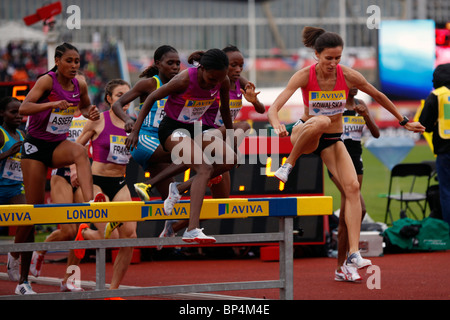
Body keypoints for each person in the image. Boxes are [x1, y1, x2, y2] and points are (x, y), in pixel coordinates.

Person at [267, 26, 424, 281]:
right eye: (328, 58)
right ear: (316, 55)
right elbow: (275, 107)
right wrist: (275, 124)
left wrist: (404, 120)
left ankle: (352, 253)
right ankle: (288, 165)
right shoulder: (304, 76)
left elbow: (378, 95)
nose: (333, 63)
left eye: (338, 58)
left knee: (352, 189)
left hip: (331, 140)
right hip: (305, 134)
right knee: (320, 122)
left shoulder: (349, 76)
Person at [126, 48, 236, 244]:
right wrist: (135, 130)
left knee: (231, 160)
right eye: (211, 79)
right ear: (202, 69)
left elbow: (225, 110)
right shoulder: (184, 79)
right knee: (204, 168)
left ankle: (177, 188)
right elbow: (152, 98)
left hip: (194, 128)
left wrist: (231, 136)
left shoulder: (223, 80)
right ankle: (191, 230)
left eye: (218, 80)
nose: (214, 83)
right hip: (171, 129)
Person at [156, 45, 266, 240]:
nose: (238, 70)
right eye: (234, 65)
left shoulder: (240, 83)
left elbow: (259, 109)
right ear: (222, 66)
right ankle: (182, 202)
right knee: (242, 127)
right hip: (207, 134)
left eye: (241, 65)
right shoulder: (211, 82)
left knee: (221, 202)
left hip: (220, 139)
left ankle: (176, 225)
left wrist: (253, 101)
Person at [19, 43, 102, 293]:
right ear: (58, 60)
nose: (75, 66)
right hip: (35, 148)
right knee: (32, 214)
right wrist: (51, 105)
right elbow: (24, 108)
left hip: (57, 146)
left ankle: (91, 204)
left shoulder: (81, 84)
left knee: (79, 152)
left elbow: (85, 107)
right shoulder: (47, 81)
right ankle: (22, 277)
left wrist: (92, 112)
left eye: (78, 61)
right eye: (70, 61)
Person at [29, 72, 91, 292]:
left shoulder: (88, 116)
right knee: (66, 230)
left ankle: (69, 279)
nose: (73, 90)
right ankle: (41, 250)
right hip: (61, 174)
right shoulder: (56, 111)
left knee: (80, 230)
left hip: (81, 175)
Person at [73, 79, 136, 291]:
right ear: (109, 99)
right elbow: (75, 148)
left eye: (128, 96)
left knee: (130, 236)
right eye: (120, 96)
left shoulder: (134, 124)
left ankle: (113, 290)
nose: (125, 101)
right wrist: (74, 170)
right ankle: (86, 233)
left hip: (119, 182)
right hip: (95, 182)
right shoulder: (98, 120)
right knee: (111, 237)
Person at [111, 45, 182, 204]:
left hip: (163, 144)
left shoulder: (179, 87)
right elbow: (117, 104)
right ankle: (149, 185)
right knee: (190, 154)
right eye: (170, 63)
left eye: (178, 63)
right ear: (158, 63)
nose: (175, 67)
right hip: (142, 140)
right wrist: (128, 120)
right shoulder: (149, 84)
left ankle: (169, 229)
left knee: (172, 202)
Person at [327, 87, 380, 281]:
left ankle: (341, 268)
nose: (355, 85)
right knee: (361, 208)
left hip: (357, 162)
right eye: (351, 80)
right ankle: (350, 258)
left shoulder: (361, 104)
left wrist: (366, 116)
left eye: (357, 80)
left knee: (345, 218)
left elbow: (376, 134)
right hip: (338, 160)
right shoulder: (334, 105)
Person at [0, 97, 34, 295]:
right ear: (2, 114)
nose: (18, 116)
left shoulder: (23, 134)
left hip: (14, 188)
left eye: (21, 113)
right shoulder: (1, 134)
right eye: (13, 112)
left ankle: (21, 276)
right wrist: (5, 154)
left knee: (30, 219)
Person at [419, 63, 450, 231]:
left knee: (446, 191)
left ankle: (448, 230)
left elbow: (425, 124)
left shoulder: (437, 95)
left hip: (445, 151)